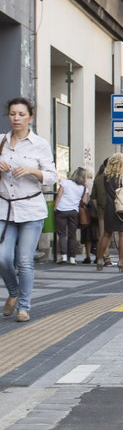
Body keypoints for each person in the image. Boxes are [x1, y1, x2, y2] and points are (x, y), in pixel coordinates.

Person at [0, 97, 58, 323]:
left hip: (31, 209)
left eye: (21, 114)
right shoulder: (1, 142)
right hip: (5, 208)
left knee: (24, 260)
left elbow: (53, 177)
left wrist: (34, 171)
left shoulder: (40, 144)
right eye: (13, 114)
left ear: (30, 118)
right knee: (3, 258)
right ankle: (13, 293)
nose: (16, 118)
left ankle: (24, 306)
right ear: (8, 116)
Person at [94, 153, 123, 273]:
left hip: (109, 208)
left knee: (107, 234)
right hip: (122, 209)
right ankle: (121, 262)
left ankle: (100, 260)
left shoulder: (105, 178)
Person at [54, 165, 88, 263]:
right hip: (74, 212)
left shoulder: (65, 182)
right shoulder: (84, 188)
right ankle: (72, 258)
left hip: (61, 210)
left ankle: (64, 256)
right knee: (72, 235)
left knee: (62, 234)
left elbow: (59, 195)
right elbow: (85, 201)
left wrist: (55, 207)